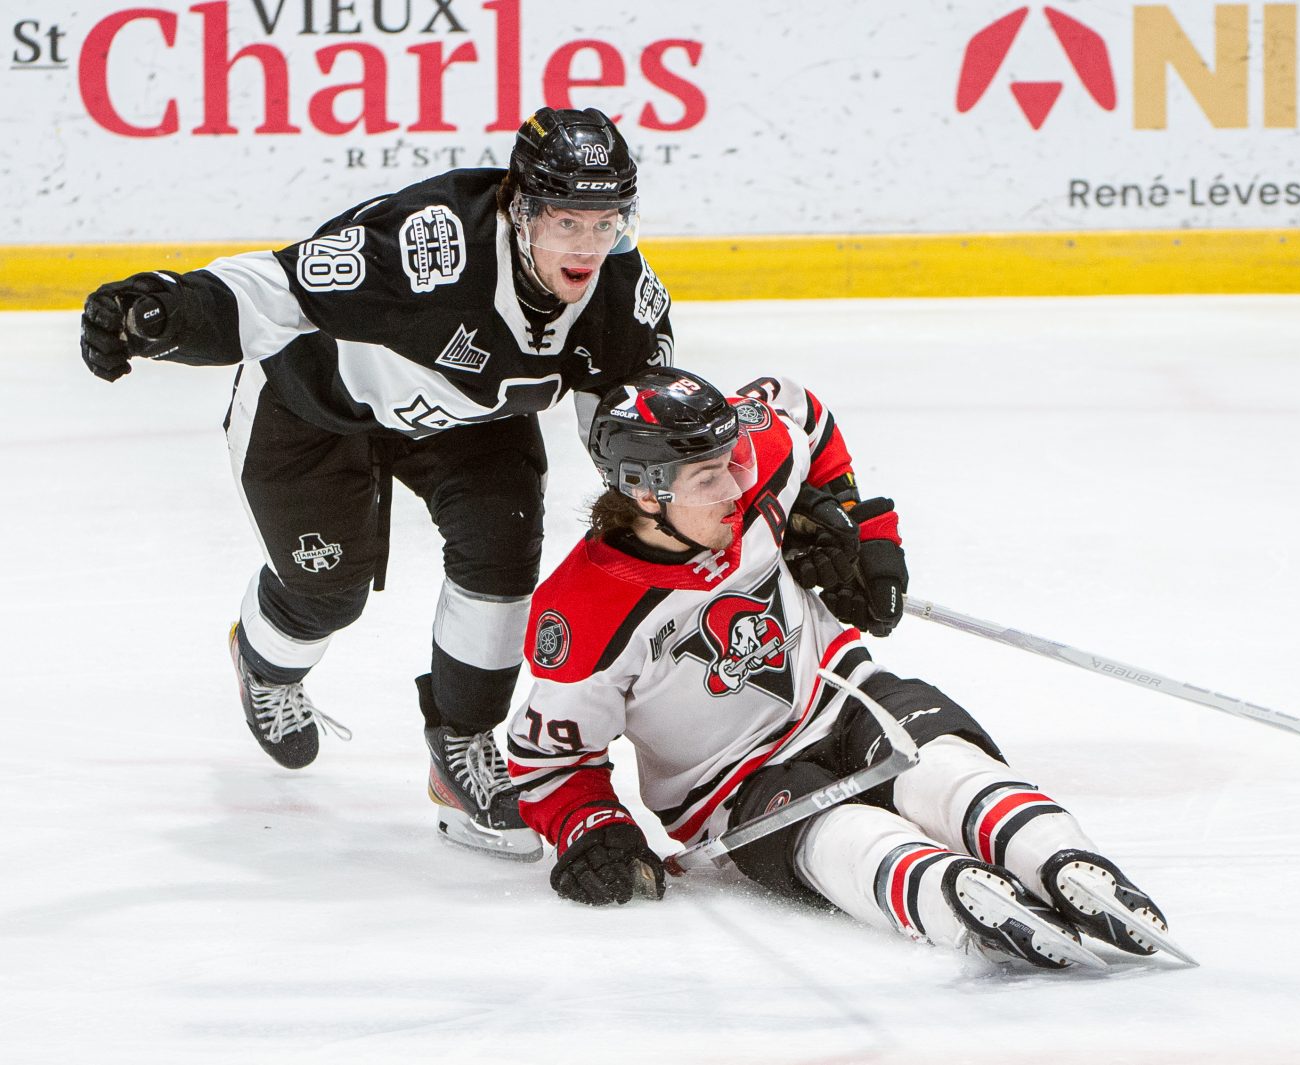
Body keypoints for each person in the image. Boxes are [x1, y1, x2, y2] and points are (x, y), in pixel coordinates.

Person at [77, 108, 674, 859]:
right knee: (327, 592)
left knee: (503, 549)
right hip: (311, 409)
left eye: (605, 222)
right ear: (519, 208)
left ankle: (459, 747)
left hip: (467, 422)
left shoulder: (619, 284)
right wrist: (159, 309)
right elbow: (277, 286)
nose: (586, 247)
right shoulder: (430, 245)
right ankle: (261, 663)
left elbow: (632, 420)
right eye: (564, 222)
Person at [503, 368, 1174, 969]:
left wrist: (849, 523)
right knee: (847, 837)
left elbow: (803, 412)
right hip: (734, 787)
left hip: (845, 694)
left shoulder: (749, 458)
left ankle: (1063, 858)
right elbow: (550, 762)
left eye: (731, 460)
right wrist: (593, 827)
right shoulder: (583, 613)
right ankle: (952, 899)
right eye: (708, 478)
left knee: (943, 765)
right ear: (645, 495)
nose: (739, 483)